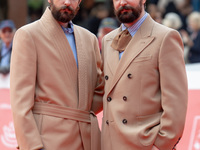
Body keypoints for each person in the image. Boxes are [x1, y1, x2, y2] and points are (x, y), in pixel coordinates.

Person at [10, 0, 104, 149]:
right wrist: (32, 146)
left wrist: (78, 109)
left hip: (87, 139)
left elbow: (100, 89)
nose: (67, 2)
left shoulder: (89, 39)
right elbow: (20, 103)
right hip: (47, 140)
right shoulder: (28, 35)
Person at [101, 0, 188, 150]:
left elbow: (176, 103)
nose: (122, 2)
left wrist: (161, 145)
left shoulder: (165, 37)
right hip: (110, 143)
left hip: (145, 143)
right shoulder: (107, 41)